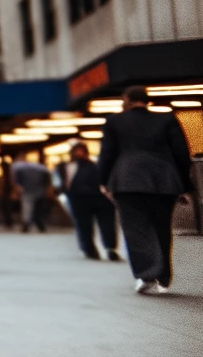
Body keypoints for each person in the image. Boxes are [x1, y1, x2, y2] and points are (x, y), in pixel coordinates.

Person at [98, 85, 193, 295]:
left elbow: (107, 153)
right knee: (162, 228)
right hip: (163, 180)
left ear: (127, 99)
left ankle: (145, 275)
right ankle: (164, 278)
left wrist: (103, 181)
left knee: (135, 229)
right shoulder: (166, 119)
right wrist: (185, 187)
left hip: (127, 181)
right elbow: (181, 153)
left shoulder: (115, 121)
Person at [55, 142, 120, 262]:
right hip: (79, 199)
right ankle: (88, 249)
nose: (79, 153)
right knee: (83, 225)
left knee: (107, 225)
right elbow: (62, 182)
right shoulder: (65, 166)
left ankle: (110, 248)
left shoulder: (94, 165)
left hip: (100, 199)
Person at [10, 156, 52, 233]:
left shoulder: (19, 168)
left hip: (27, 190)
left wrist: (17, 189)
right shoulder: (40, 168)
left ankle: (26, 224)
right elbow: (46, 179)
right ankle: (39, 224)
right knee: (37, 208)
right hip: (39, 190)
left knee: (27, 208)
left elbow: (16, 180)